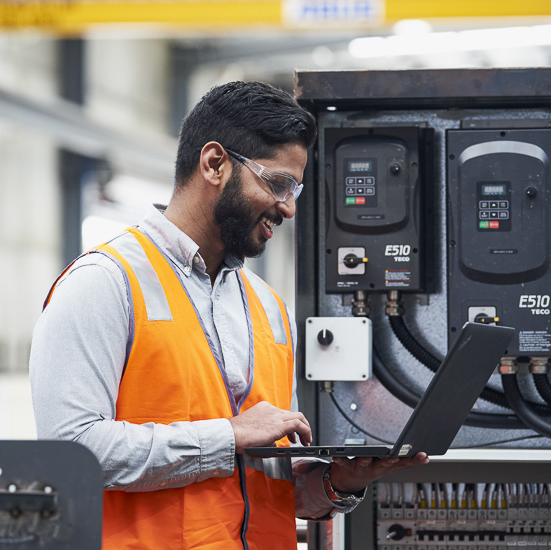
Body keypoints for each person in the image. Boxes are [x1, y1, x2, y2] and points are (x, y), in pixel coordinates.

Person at [29, 80, 428, 550]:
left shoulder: (268, 307)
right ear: (214, 164)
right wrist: (228, 436)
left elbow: (263, 488)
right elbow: (72, 453)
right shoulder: (104, 283)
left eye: (295, 188)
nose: (289, 207)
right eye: (278, 183)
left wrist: (339, 483)